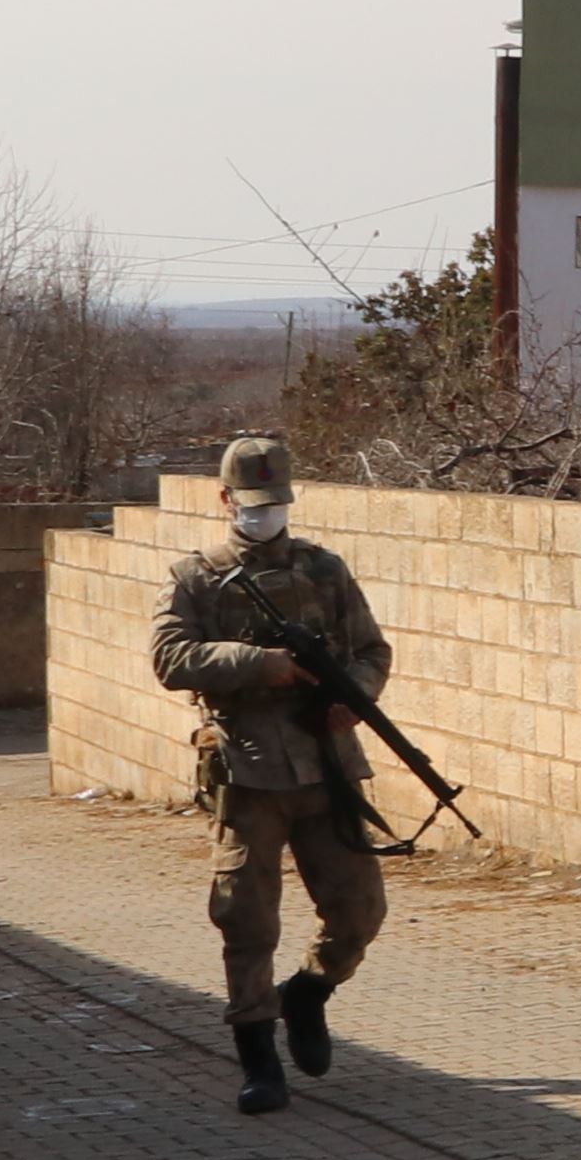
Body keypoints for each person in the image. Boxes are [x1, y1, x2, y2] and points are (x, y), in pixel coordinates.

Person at [149, 435, 393, 1114]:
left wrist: (356, 694)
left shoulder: (325, 570)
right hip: (249, 769)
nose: (264, 516)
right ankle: (258, 1057)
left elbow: (371, 649)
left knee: (359, 911)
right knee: (247, 920)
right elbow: (170, 658)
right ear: (225, 499)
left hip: (328, 768)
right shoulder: (196, 577)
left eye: (275, 504)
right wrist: (261, 664)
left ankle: (307, 994)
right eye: (252, 505)